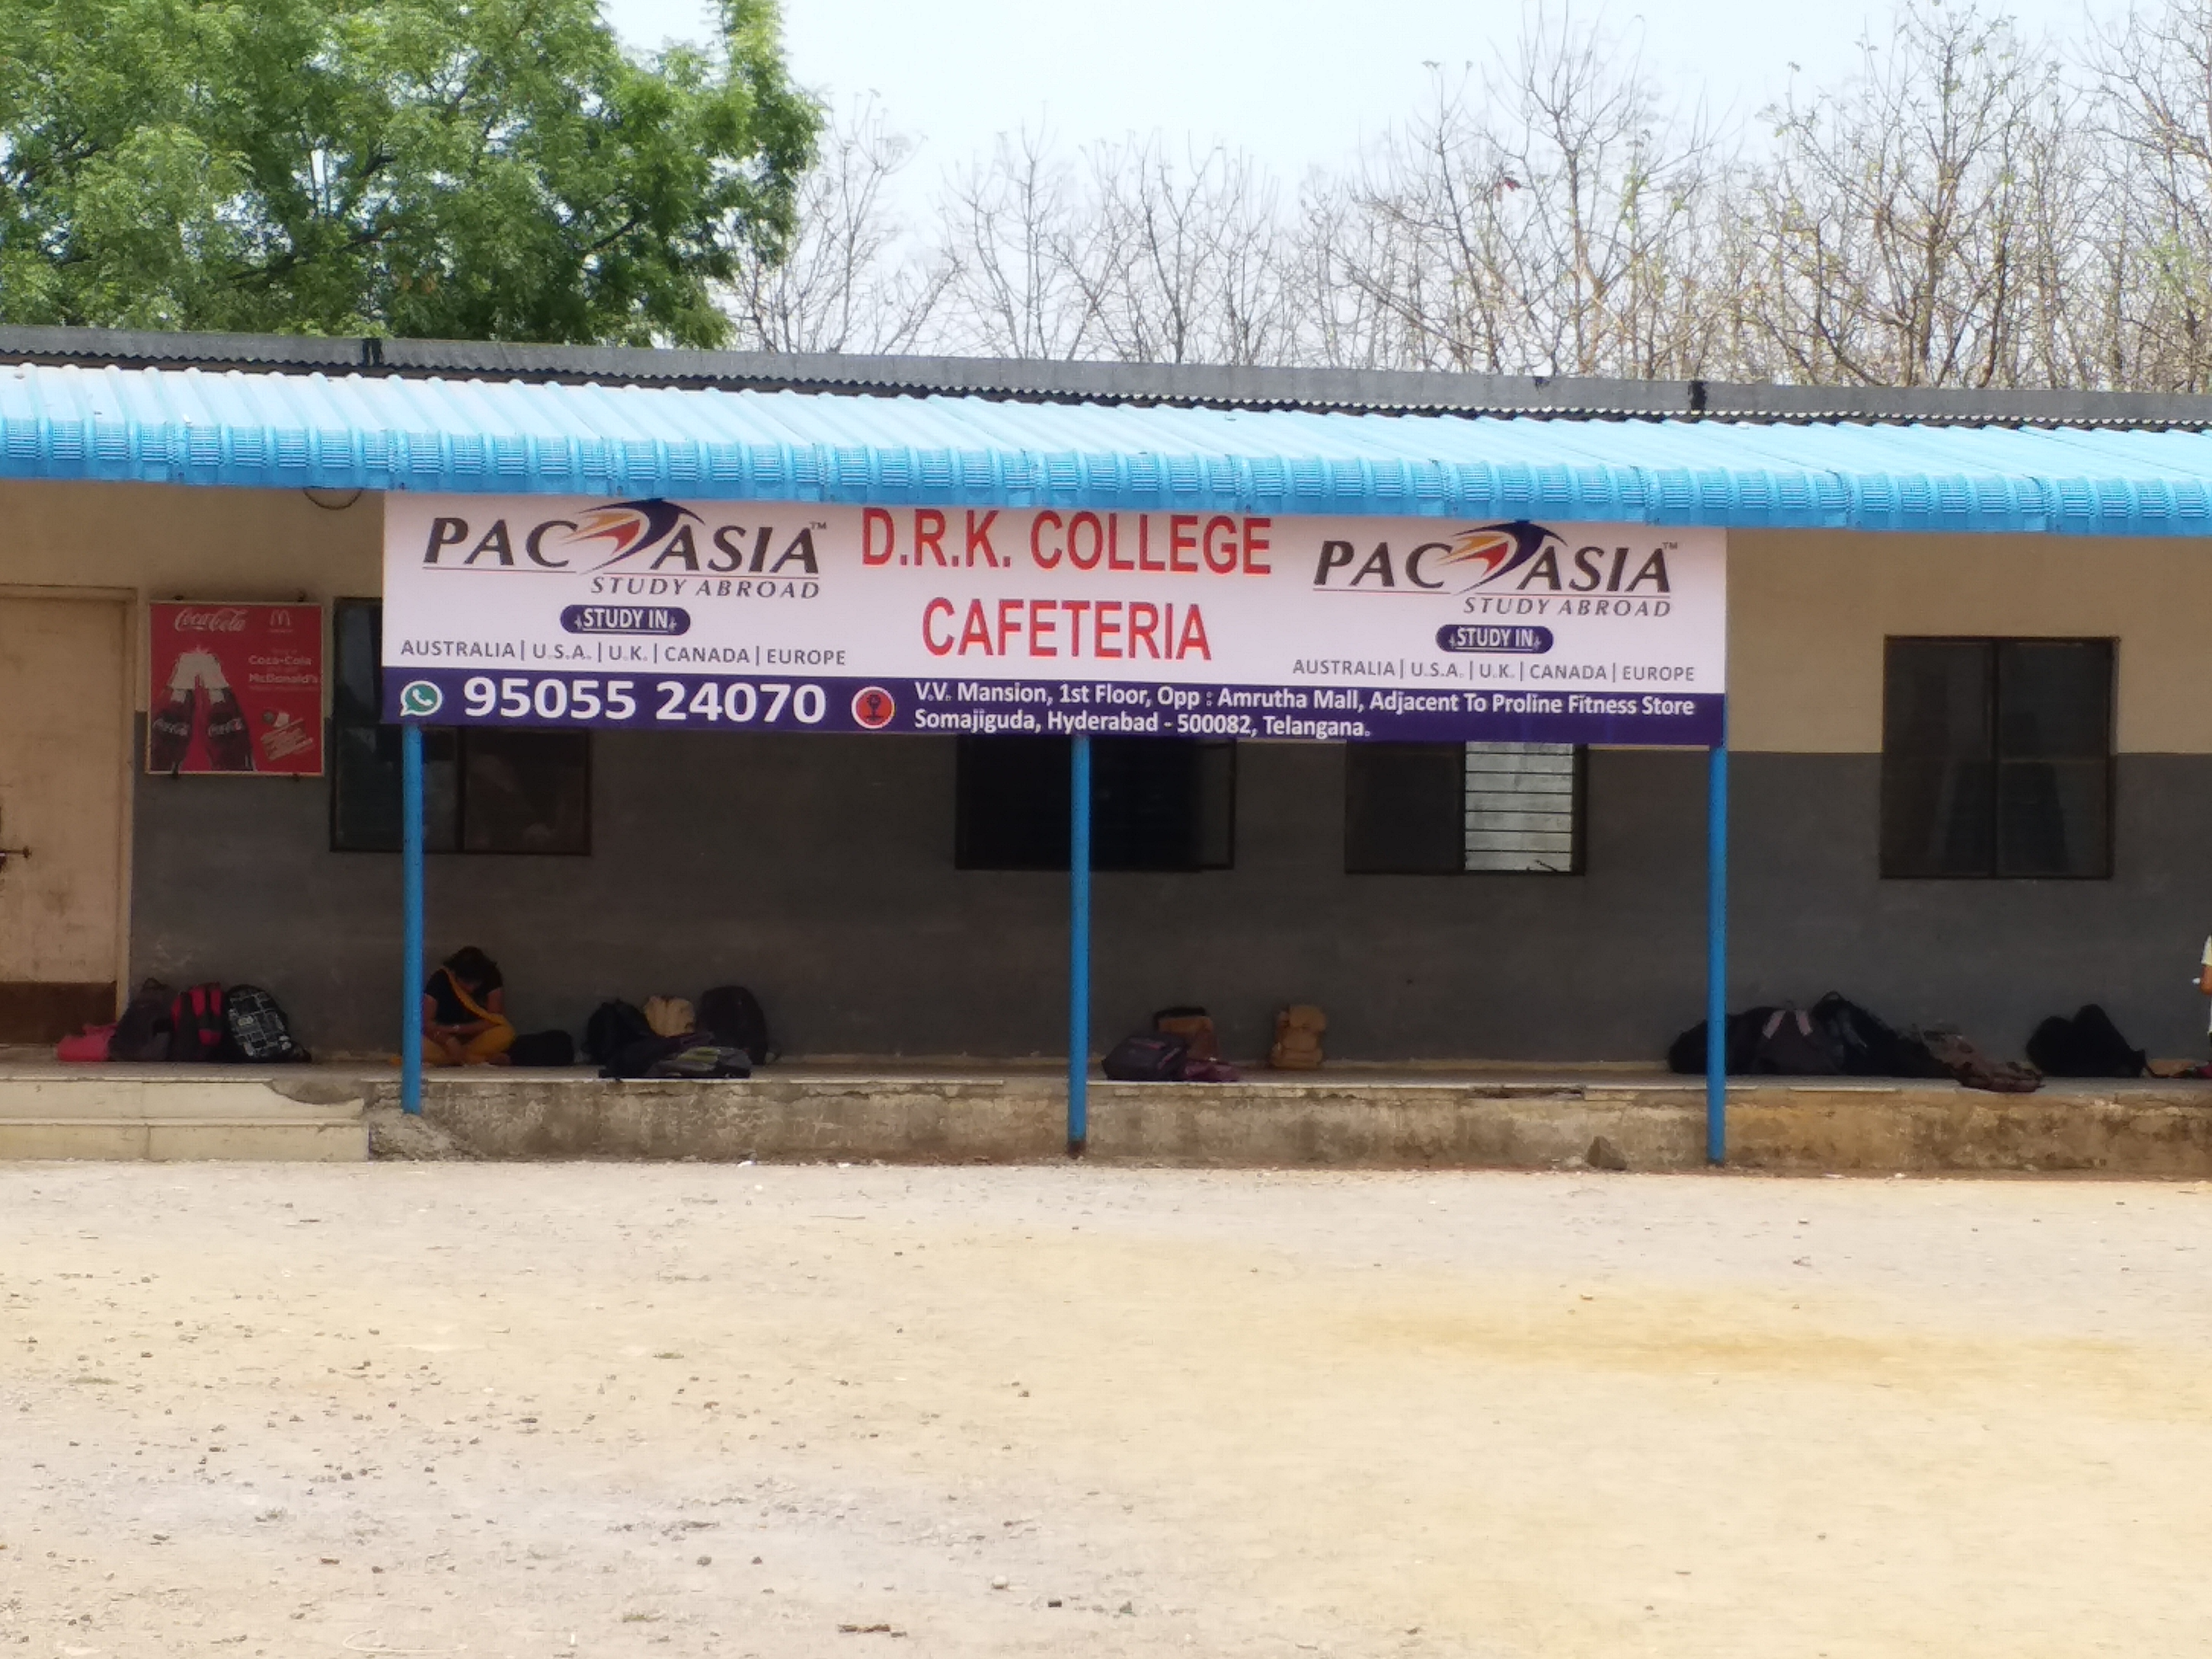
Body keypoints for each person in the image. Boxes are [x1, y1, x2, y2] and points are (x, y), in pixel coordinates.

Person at [423, 946, 515, 1067]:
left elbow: (495, 1020)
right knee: (418, 1045)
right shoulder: (441, 979)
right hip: (444, 1041)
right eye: (466, 983)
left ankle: (458, 1059)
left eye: (476, 983)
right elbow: (425, 1024)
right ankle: (479, 1060)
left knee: (505, 1033)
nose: (471, 988)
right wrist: (448, 1040)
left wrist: (456, 1029)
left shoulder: (491, 977)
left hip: (476, 1037)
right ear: (455, 974)